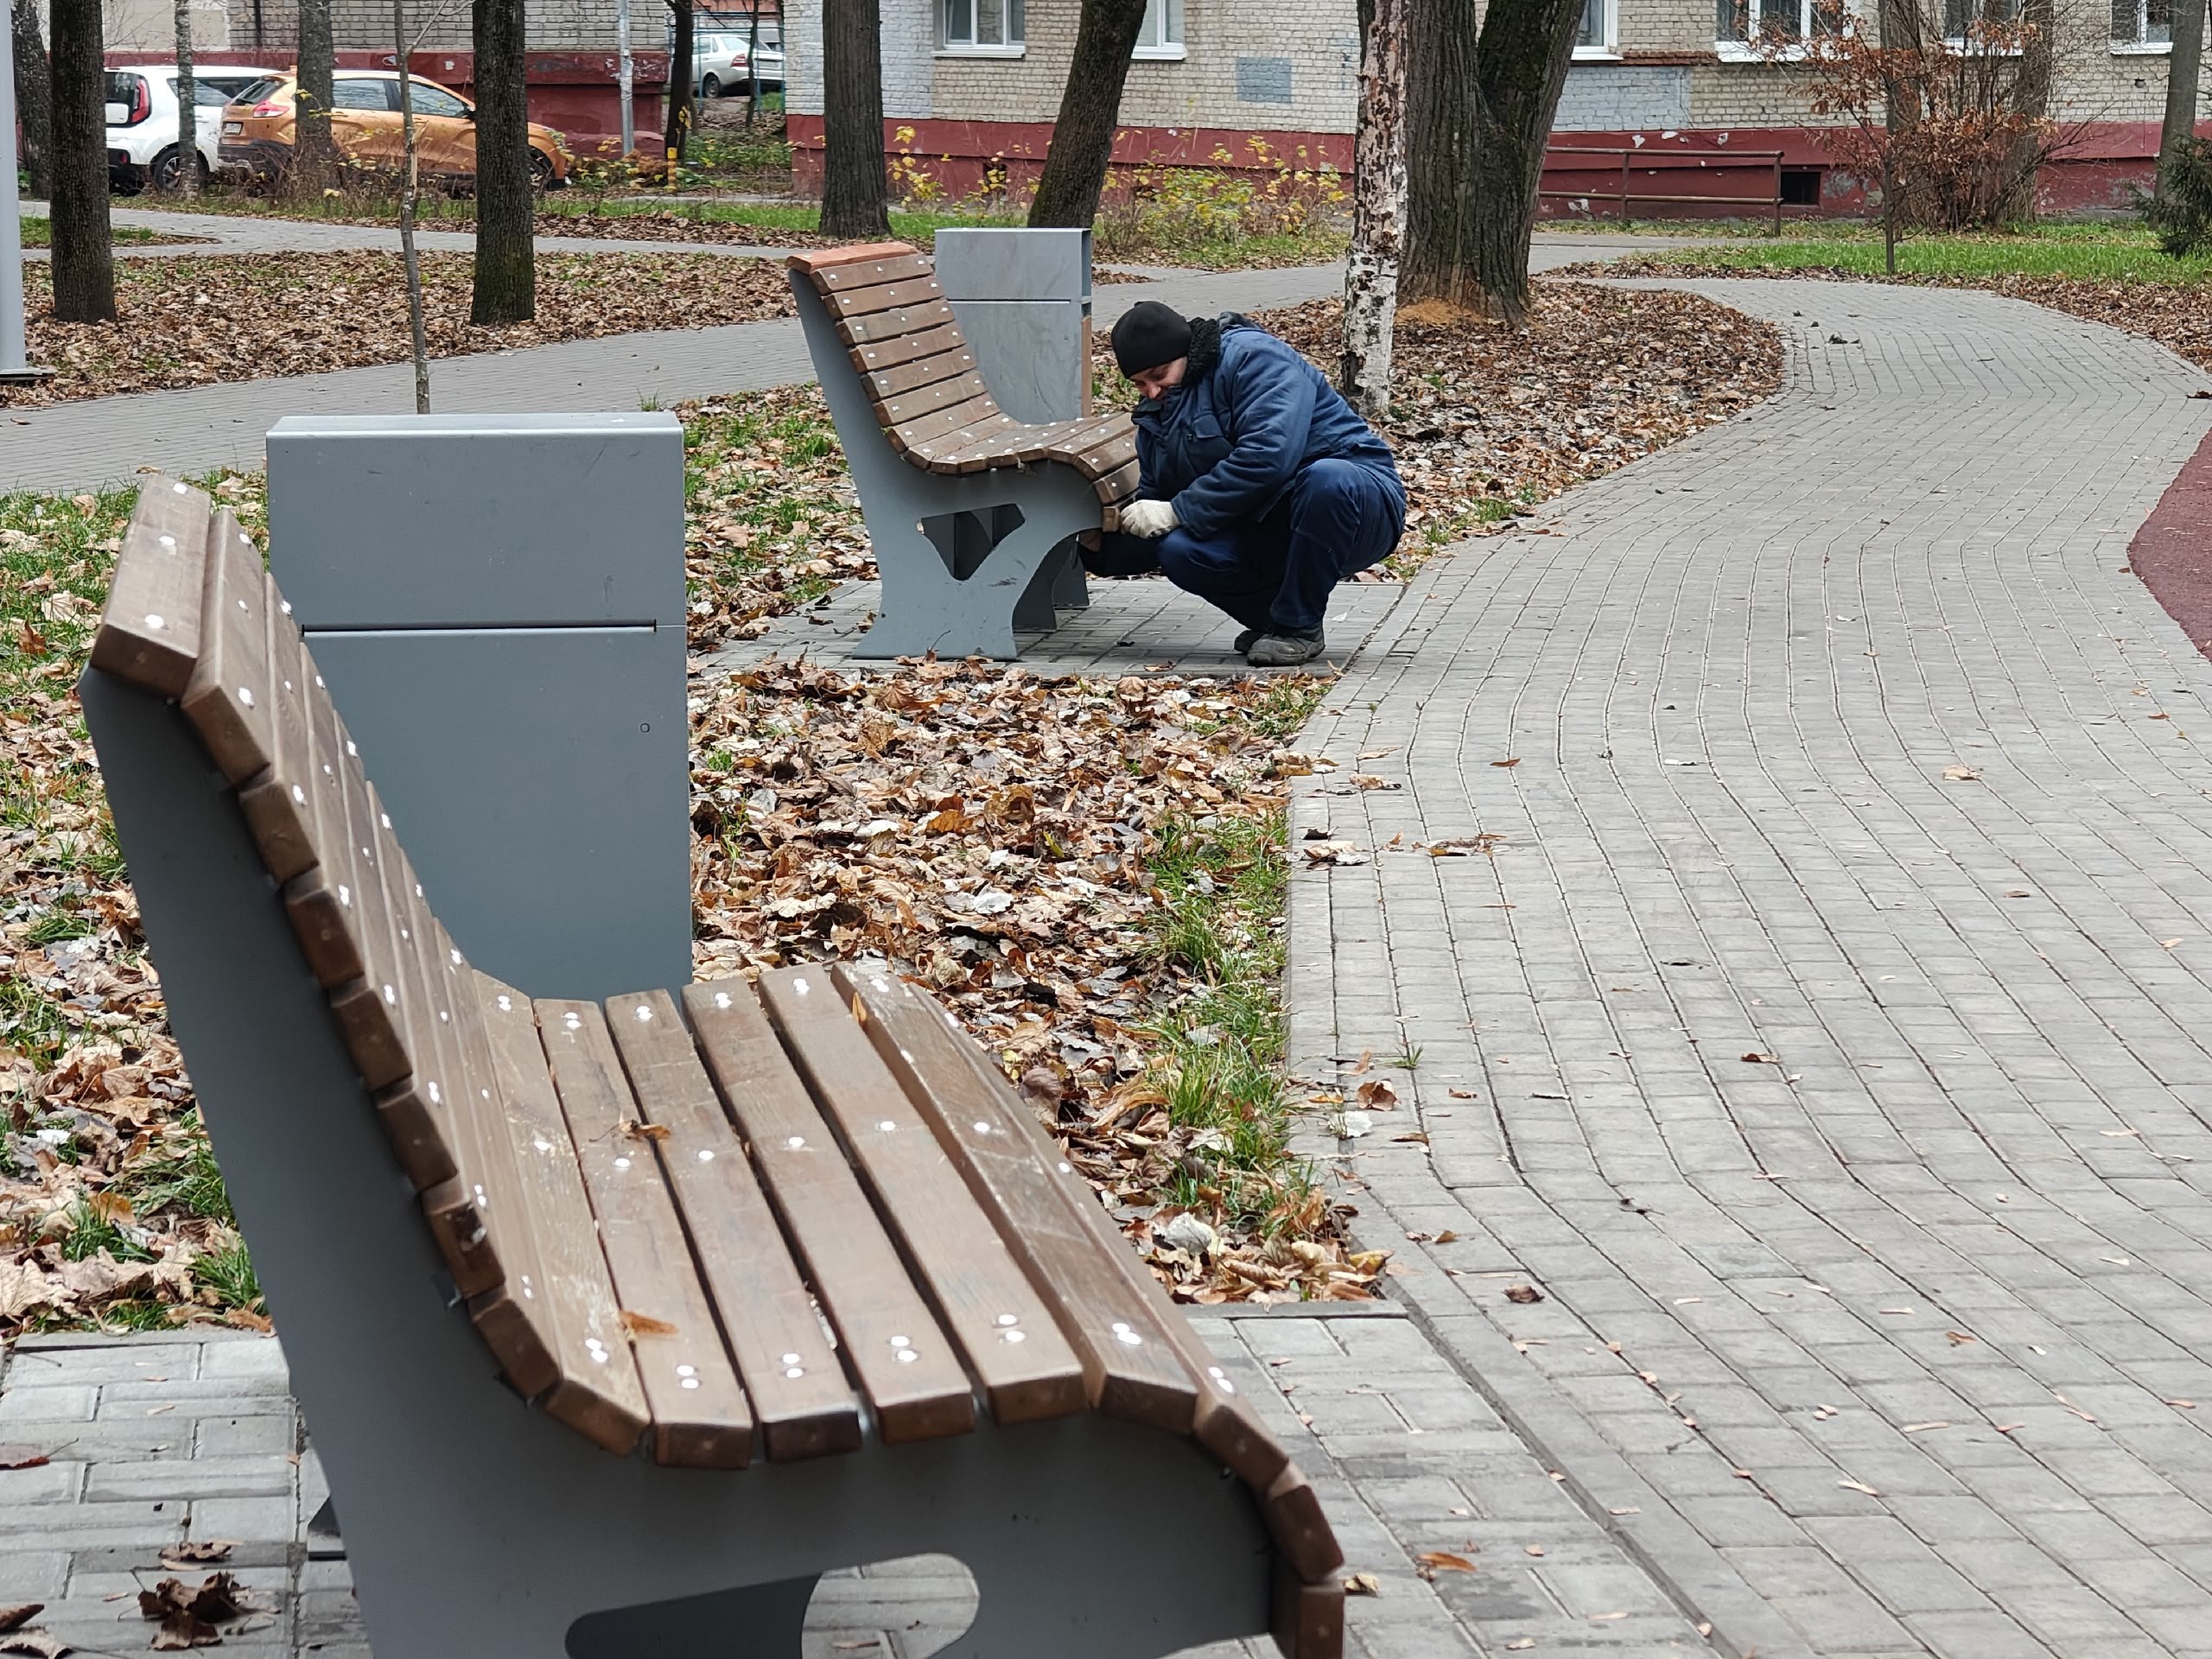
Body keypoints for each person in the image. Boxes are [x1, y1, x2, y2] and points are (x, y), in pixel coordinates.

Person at [1084, 300, 1407, 667]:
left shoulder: (1255, 359)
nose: (1153, 391)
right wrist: (1096, 547)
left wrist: (1178, 510)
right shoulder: (1157, 417)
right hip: (1268, 522)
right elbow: (1156, 514)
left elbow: (1269, 457)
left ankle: (1297, 627)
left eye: (1159, 375)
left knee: (1327, 479)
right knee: (1179, 550)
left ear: (1186, 352)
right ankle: (1278, 621)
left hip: (1358, 506)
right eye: (1140, 383)